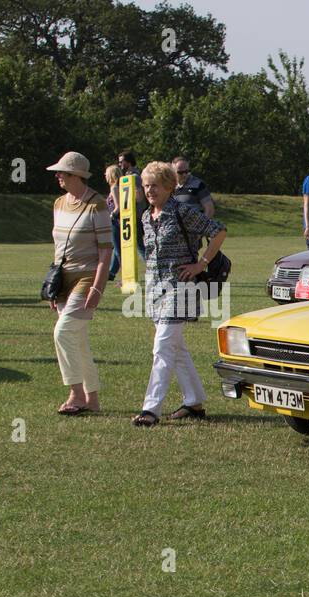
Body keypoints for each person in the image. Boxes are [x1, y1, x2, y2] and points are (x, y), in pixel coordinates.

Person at [132, 160, 227, 427]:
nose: (150, 191)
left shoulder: (183, 211)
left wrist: (202, 263)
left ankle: (151, 409)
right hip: (155, 289)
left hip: (180, 288)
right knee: (177, 349)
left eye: (155, 186)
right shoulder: (145, 216)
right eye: (146, 186)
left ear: (169, 187)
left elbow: (218, 230)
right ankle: (194, 401)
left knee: (162, 347)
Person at [46, 151, 112, 416]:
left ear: (77, 176)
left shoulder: (97, 205)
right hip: (64, 278)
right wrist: (54, 285)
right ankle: (92, 399)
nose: (58, 176)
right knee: (78, 338)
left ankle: (76, 393)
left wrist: (97, 288)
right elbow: (58, 247)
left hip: (87, 277)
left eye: (62, 172)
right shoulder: (59, 204)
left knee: (63, 332)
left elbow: (106, 251)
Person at [116, 149, 148, 258]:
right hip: (130, 216)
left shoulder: (135, 177)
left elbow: (140, 198)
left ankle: (150, 265)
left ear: (128, 161)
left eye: (121, 161)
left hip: (136, 215)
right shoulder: (128, 176)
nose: (119, 164)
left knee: (139, 245)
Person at [103, 164, 121, 281]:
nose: (105, 176)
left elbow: (118, 207)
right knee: (116, 248)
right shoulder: (121, 186)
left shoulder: (114, 188)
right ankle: (111, 272)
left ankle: (124, 273)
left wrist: (110, 216)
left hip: (115, 221)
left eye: (106, 173)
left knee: (118, 249)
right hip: (119, 221)